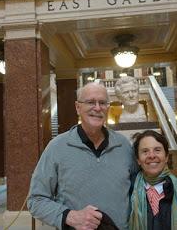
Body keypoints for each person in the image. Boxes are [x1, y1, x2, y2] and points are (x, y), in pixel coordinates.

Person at [27, 82, 138, 230]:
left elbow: (138, 190)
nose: (97, 108)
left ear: (108, 108)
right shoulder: (57, 147)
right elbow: (36, 200)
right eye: (91, 102)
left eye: (103, 103)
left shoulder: (123, 146)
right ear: (78, 107)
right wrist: (70, 216)